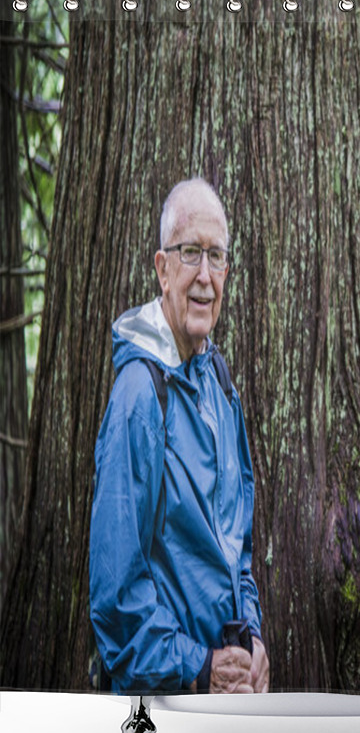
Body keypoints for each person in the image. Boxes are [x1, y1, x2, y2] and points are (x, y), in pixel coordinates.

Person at [89, 178, 268, 694]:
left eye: (216, 256)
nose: (205, 276)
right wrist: (198, 667)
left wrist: (251, 642)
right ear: (162, 269)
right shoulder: (138, 399)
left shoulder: (219, 384)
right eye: (191, 253)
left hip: (222, 707)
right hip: (164, 712)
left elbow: (239, 550)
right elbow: (115, 600)